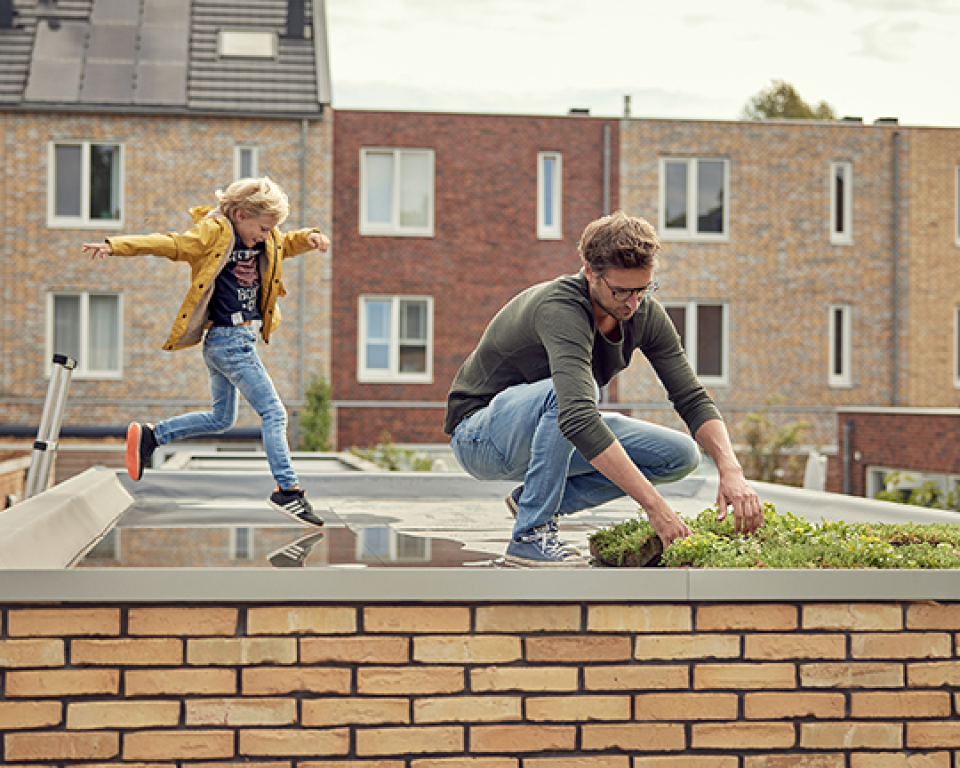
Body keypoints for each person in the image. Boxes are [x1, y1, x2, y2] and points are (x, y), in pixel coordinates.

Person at [444, 211, 763, 567]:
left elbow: (691, 397)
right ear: (590, 272)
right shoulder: (560, 308)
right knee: (570, 398)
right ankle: (530, 534)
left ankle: (534, 500)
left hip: (553, 428)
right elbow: (578, 417)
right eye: (621, 291)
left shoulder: (644, 314)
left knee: (680, 455)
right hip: (480, 436)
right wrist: (656, 508)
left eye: (643, 289)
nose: (633, 303)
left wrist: (731, 470)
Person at [82, 176, 329, 527]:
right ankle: (288, 492)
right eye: (261, 228)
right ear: (241, 214)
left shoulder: (268, 239)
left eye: (271, 229)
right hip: (229, 342)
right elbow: (169, 243)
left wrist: (310, 237)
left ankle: (153, 436)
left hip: (230, 343)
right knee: (274, 414)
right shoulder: (214, 233)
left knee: (221, 419)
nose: (265, 236)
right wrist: (116, 245)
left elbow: (286, 243)